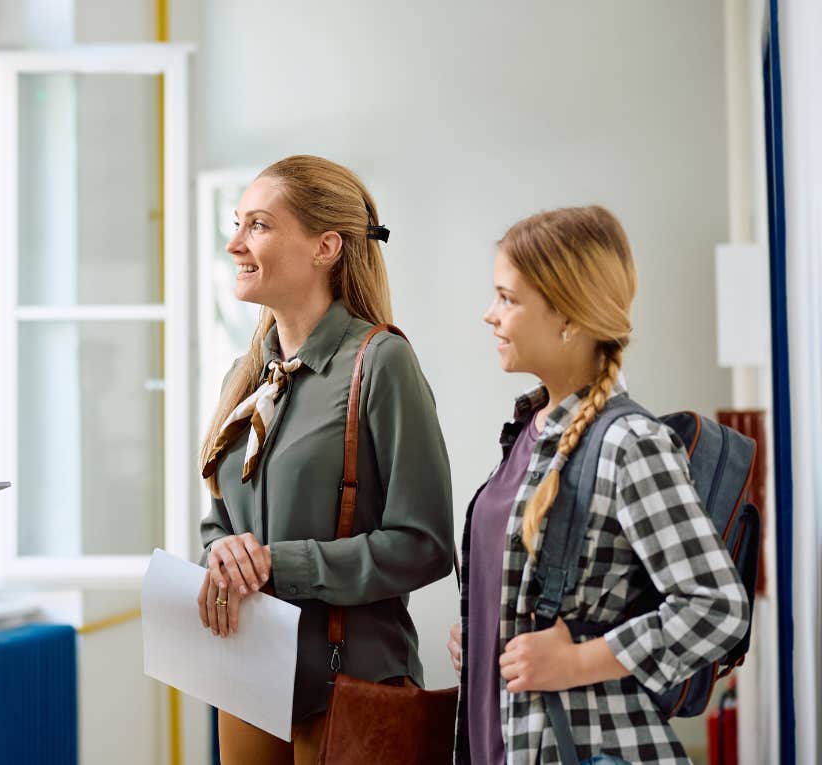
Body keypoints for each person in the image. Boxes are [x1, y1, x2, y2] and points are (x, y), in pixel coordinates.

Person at [447, 206, 749, 764]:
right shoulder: (528, 431)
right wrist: (485, 628)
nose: (489, 314)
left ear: (567, 316)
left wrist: (578, 661)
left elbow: (717, 606)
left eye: (507, 298)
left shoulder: (629, 442)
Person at [195, 155, 455, 764]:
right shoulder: (244, 376)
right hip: (247, 677)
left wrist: (276, 565)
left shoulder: (381, 362)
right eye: (237, 224)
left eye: (258, 225)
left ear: (325, 247)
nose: (234, 243)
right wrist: (220, 551)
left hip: (350, 683)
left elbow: (426, 544)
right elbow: (220, 521)